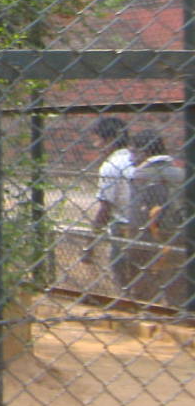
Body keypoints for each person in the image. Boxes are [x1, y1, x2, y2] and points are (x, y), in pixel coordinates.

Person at [121, 130, 186, 304]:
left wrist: (134, 241)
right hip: (179, 235)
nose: (130, 159)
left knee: (145, 286)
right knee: (177, 281)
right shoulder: (181, 173)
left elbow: (138, 215)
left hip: (149, 237)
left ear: (145, 152)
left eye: (133, 152)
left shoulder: (141, 175)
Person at [82, 116, 136, 291]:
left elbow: (105, 208)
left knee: (122, 273)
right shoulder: (135, 159)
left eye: (97, 140)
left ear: (110, 140)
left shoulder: (110, 166)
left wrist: (90, 242)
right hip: (145, 222)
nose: (96, 146)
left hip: (123, 227)